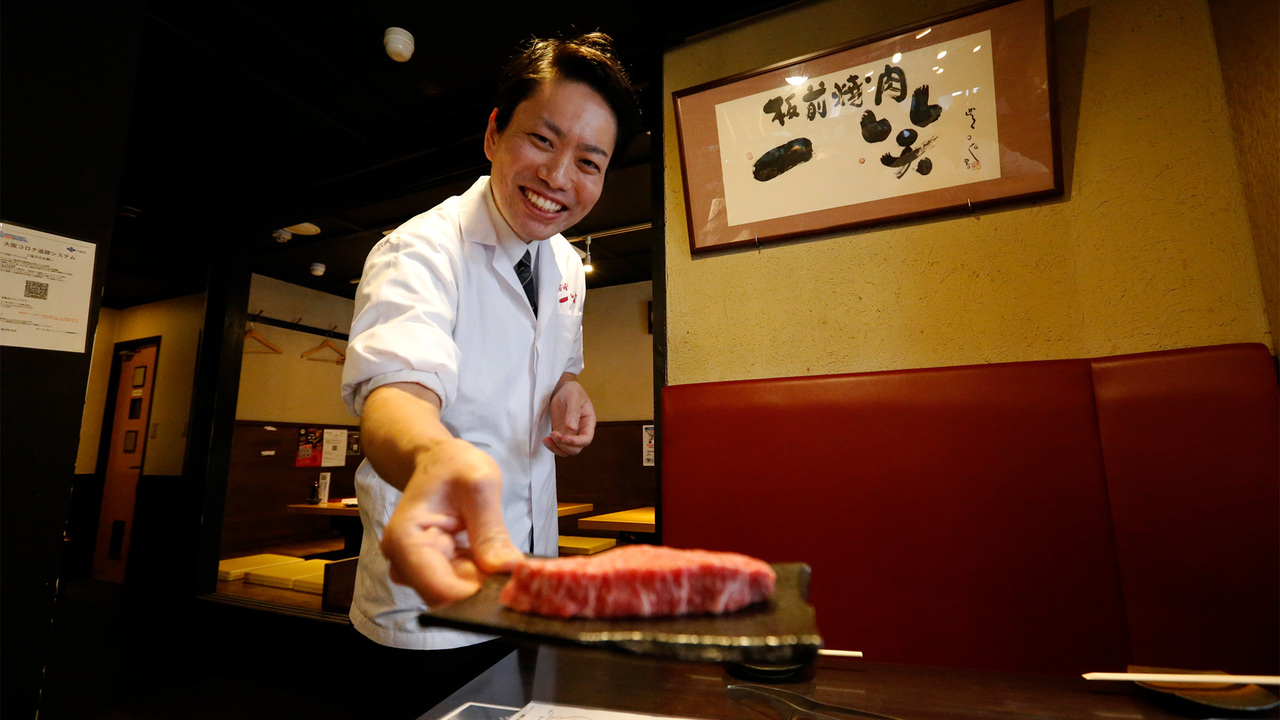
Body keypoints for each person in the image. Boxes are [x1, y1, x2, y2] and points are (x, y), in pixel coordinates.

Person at [339, 32, 641, 719]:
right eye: (543, 140)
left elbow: (557, 364)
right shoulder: (419, 251)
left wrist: (569, 392)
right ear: (493, 135)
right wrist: (433, 456)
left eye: (588, 161)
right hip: (429, 596)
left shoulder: (564, 263)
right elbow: (394, 391)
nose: (560, 177)